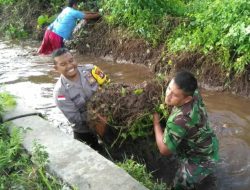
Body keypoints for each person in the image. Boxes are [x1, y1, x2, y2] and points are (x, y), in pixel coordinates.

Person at [153, 71, 219, 190]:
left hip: (199, 159)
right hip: (210, 143)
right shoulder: (195, 94)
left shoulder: (179, 120)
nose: (167, 96)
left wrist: (156, 124)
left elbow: (164, 150)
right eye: (169, 88)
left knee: (180, 184)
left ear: (187, 99)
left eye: (175, 95)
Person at [52, 48, 107, 151]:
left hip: (107, 120)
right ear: (56, 68)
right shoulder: (60, 92)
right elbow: (75, 119)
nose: (69, 66)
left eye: (71, 61)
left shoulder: (92, 70)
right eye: (63, 64)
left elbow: (109, 87)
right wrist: (97, 117)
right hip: (85, 131)